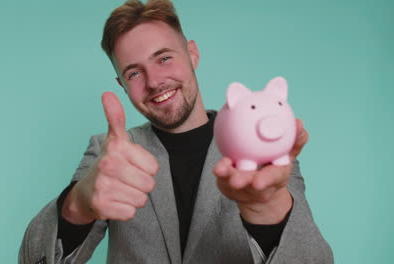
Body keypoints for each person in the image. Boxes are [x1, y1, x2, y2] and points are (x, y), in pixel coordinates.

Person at [19, 0, 333, 263]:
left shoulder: (264, 149)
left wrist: (267, 208)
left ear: (192, 54)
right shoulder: (110, 151)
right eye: (134, 73)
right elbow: (31, 259)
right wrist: (78, 205)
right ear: (122, 86)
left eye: (164, 58)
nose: (154, 81)